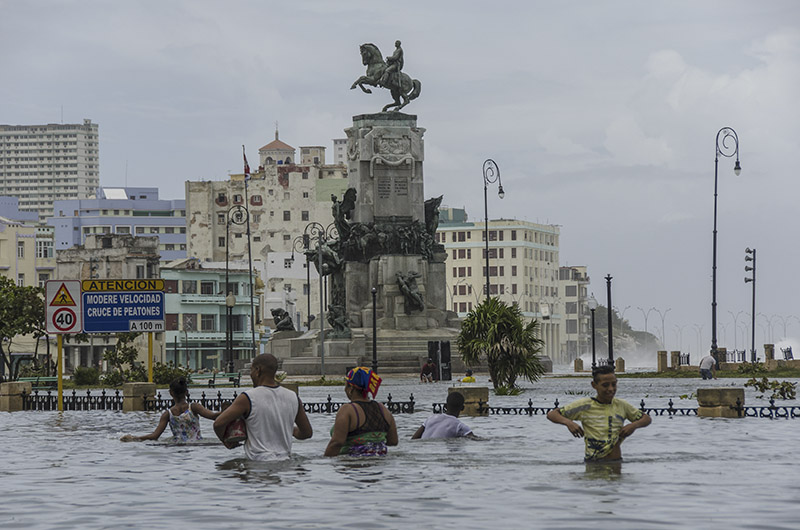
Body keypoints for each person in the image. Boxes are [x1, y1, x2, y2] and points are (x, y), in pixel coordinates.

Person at [213, 354, 312, 461]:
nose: (251, 374)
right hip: (285, 463)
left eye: (251, 370)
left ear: (257, 370)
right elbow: (307, 433)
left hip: (258, 462)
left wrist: (226, 441)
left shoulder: (248, 398)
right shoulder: (293, 397)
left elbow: (218, 423)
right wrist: (288, 429)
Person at [546, 365, 651, 462]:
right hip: (594, 463)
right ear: (594, 385)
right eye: (605, 385)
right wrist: (568, 423)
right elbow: (552, 414)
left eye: (614, 384)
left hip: (616, 463)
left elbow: (646, 418)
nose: (611, 389)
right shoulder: (585, 405)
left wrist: (633, 425)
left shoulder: (621, 405)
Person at [120, 376, 221, 442]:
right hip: (197, 445)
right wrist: (231, 411)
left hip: (175, 447)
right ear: (186, 392)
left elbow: (155, 436)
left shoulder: (168, 414)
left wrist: (134, 438)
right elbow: (213, 416)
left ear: (171, 393)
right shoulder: (194, 407)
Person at [325, 367, 398, 456]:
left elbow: (336, 443)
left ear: (350, 388)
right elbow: (393, 441)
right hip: (379, 466)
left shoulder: (348, 410)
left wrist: (323, 463)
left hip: (352, 467)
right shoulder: (383, 410)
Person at [411, 392, 477, 440]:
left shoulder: (431, 418)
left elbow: (414, 439)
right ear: (462, 408)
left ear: (445, 406)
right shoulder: (459, 426)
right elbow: (474, 439)